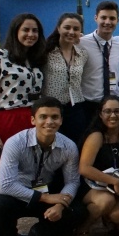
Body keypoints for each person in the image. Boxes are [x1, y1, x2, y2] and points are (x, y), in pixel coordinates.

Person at [0, 97, 82, 236]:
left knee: (78, 210)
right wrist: (45, 197)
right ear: (33, 120)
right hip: (18, 193)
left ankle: (42, 234)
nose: (49, 122)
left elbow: (72, 181)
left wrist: (60, 204)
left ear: (61, 120)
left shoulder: (68, 146)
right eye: (43, 117)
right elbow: (5, 185)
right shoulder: (15, 143)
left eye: (55, 117)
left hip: (46, 190)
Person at [0, 13, 46, 206]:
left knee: (28, 180)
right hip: (3, 122)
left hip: (30, 123)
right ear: (15, 31)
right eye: (25, 29)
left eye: (35, 30)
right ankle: (0, 225)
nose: (30, 34)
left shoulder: (35, 60)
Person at [74, 96, 119, 236]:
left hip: (118, 183)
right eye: (108, 111)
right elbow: (84, 168)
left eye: (117, 111)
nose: (113, 115)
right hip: (92, 184)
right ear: (100, 114)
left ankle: (108, 219)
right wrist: (115, 182)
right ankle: (82, 231)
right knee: (106, 201)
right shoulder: (96, 136)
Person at [42, 13, 88, 144]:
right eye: (67, 27)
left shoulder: (82, 54)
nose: (71, 32)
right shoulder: (46, 52)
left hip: (76, 108)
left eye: (76, 29)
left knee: (76, 145)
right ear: (58, 28)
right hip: (52, 108)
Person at [80, 1, 119, 118]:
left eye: (112, 18)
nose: (108, 22)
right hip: (90, 105)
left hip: (114, 103)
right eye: (103, 18)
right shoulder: (82, 43)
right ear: (96, 18)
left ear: (117, 21)